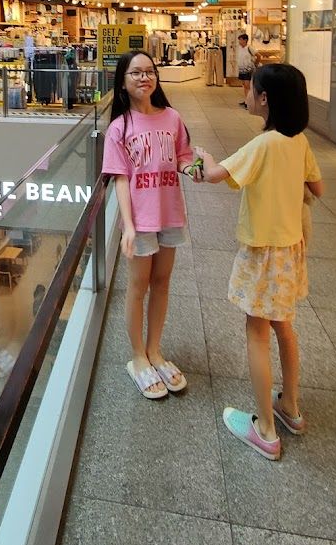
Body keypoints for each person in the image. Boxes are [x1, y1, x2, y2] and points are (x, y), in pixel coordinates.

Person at [196, 63, 324, 461]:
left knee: (256, 332)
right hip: (290, 249)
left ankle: (265, 430)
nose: (247, 94)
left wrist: (203, 156)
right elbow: (317, 188)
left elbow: (214, 175)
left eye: (250, 89)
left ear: (264, 98)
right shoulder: (299, 141)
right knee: (283, 325)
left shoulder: (263, 144)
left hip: (263, 252)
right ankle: (291, 407)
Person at [102, 51, 202, 399]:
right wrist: (128, 226)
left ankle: (155, 350)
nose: (144, 78)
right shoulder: (119, 127)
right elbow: (120, 180)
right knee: (138, 286)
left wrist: (192, 169)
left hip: (170, 212)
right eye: (136, 73)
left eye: (149, 71)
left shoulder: (172, 117)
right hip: (141, 219)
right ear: (123, 81)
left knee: (162, 283)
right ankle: (138, 357)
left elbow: (183, 156)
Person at [236, 33, 255, 107]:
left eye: (241, 40)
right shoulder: (240, 48)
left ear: (245, 40)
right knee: (244, 85)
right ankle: (246, 100)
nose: (239, 41)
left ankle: (249, 102)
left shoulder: (249, 48)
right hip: (242, 69)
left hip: (248, 69)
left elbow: (258, 56)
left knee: (247, 86)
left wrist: (254, 64)